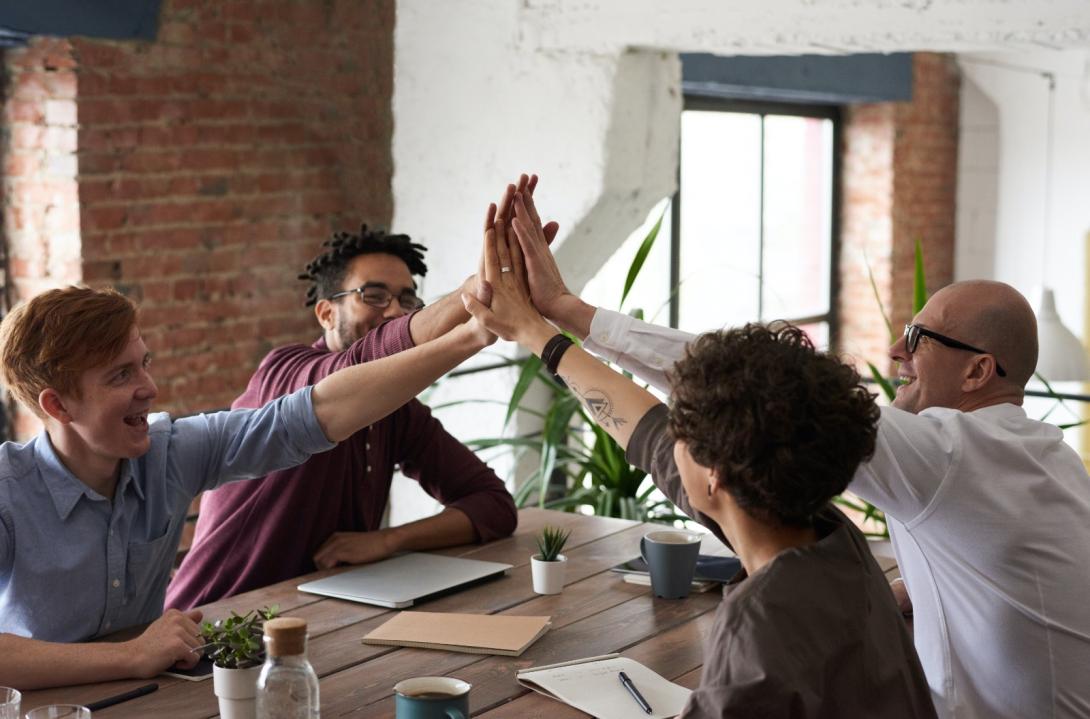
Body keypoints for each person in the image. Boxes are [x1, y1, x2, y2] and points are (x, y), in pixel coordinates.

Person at [504, 180, 1090, 718]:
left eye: (917, 337)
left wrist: (566, 320)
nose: (894, 350)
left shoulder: (948, 457)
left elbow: (747, 388)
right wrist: (902, 596)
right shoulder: (1039, 457)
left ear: (978, 372)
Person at [459, 197, 937, 717]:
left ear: (715, 476)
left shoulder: (763, 620)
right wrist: (537, 331)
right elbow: (647, 435)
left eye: (681, 427)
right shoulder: (831, 539)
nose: (669, 436)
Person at [0, 233, 495, 689]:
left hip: (152, 697)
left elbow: (316, 413)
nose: (149, 388)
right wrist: (130, 655)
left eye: (145, 363)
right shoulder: (8, 490)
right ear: (58, 406)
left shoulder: (170, 452)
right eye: (120, 375)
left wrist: (472, 336)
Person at [167, 179, 559, 608]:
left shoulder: (397, 412)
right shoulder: (285, 372)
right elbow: (360, 366)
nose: (394, 309)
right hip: (214, 625)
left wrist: (388, 540)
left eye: (408, 299)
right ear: (326, 312)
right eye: (373, 295)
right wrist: (474, 295)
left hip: (324, 619)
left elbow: (494, 505)